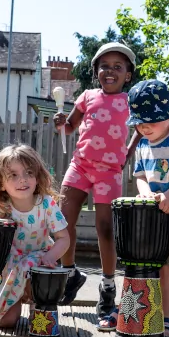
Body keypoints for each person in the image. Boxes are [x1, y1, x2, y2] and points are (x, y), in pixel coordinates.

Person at [96, 80, 169, 337]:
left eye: (150, 119)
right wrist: (145, 194)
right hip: (150, 218)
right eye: (140, 122)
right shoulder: (142, 144)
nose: (144, 126)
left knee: (166, 268)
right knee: (136, 265)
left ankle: (166, 318)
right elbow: (140, 175)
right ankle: (128, 310)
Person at [52, 42, 141, 320]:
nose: (110, 71)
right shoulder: (87, 96)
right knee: (62, 221)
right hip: (80, 165)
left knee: (105, 229)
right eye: (104, 66)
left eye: (118, 67)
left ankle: (108, 287)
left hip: (109, 172)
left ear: (128, 75)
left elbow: (141, 128)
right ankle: (70, 272)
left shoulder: (130, 101)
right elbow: (69, 126)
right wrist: (60, 123)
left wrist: (128, 152)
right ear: (96, 71)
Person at [0, 144, 70, 328]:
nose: (22, 180)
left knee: (39, 324)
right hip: (11, 266)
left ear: (37, 176)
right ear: (1, 183)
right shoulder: (2, 204)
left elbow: (64, 238)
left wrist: (50, 257)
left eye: (28, 172)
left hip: (38, 264)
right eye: (13, 175)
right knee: (7, 322)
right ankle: (9, 306)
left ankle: (36, 305)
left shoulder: (46, 203)